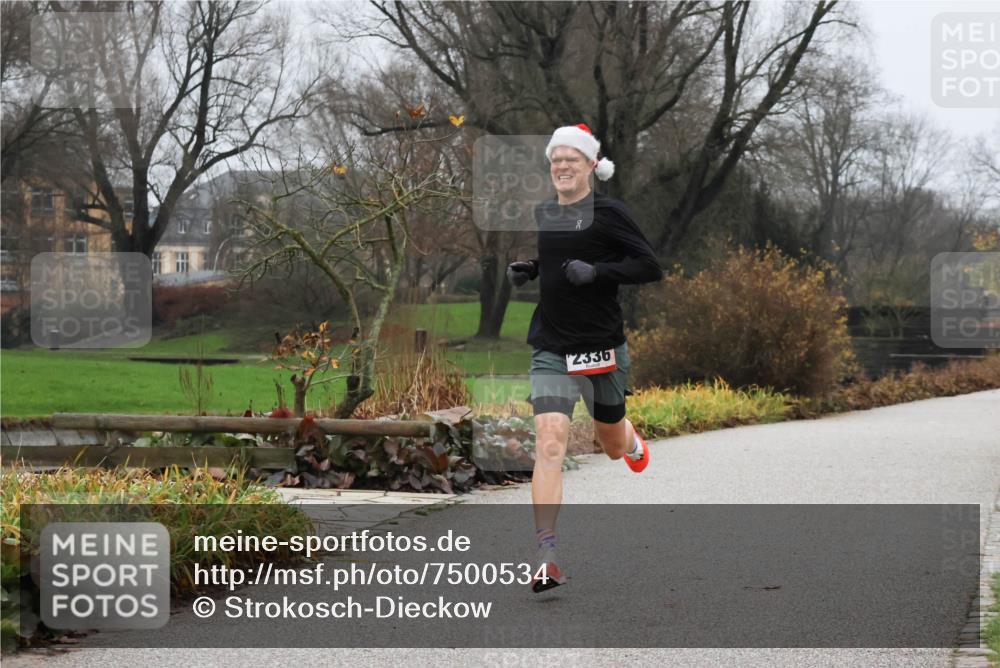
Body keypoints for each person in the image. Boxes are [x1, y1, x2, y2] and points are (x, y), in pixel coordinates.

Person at [507, 123, 663, 593]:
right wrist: (533, 269)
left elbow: (648, 266)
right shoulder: (546, 213)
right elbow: (558, 259)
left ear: (592, 166)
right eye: (556, 161)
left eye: (571, 160)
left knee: (610, 443)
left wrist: (597, 272)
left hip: (600, 346)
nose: (561, 167)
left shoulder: (610, 213)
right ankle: (546, 554)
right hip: (552, 345)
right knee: (550, 443)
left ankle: (631, 442)